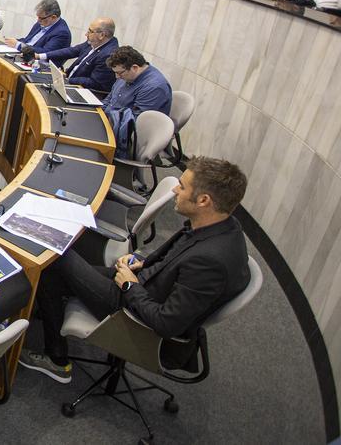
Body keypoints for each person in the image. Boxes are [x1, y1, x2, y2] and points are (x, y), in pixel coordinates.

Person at [19, 157, 251, 383]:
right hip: (144, 283)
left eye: (181, 187)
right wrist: (143, 262)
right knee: (55, 272)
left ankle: (56, 360)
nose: (175, 191)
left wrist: (130, 285)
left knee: (56, 256)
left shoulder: (210, 262)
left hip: (132, 312)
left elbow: (165, 323)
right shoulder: (222, 226)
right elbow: (177, 263)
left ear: (203, 200)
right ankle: (48, 324)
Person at [102, 46, 172, 152]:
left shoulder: (154, 87)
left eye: (119, 73)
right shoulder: (126, 75)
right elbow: (110, 98)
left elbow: (134, 123)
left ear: (135, 67)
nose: (117, 77)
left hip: (125, 138)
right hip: (108, 123)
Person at [37, 17, 120, 93]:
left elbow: (94, 83)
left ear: (102, 35)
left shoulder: (107, 55)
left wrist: (68, 79)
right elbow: (72, 51)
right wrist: (40, 56)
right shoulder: (95, 42)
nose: (86, 34)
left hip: (83, 91)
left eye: (90, 31)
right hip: (69, 82)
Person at [5, 0, 71, 55]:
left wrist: (18, 45)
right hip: (24, 55)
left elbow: (45, 53)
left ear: (53, 17)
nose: (38, 20)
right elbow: (28, 41)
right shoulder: (42, 23)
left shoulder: (62, 33)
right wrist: (13, 41)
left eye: (41, 18)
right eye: (38, 17)